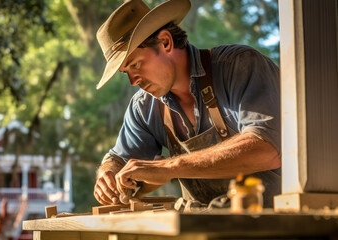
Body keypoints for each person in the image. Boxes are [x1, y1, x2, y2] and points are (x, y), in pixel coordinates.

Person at [93, 0, 281, 208]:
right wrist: (108, 173)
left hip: (276, 222)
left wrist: (170, 166)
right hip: (199, 230)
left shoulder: (239, 67)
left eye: (135, 65)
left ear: (165, 42)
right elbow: (118, 157)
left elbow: (268, 149)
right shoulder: (143, 107)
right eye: (125, 72)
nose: (133, 81)